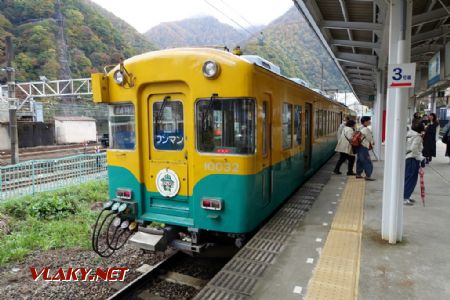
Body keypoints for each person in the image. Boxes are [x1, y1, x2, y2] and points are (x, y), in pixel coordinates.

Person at [403, 123, 426, 206]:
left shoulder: (408, 134)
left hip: (407, 158)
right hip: (413, 159)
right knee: (411, 180)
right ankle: (405, 198)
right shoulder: (418, 137)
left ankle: (406, 195)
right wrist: (421, 158)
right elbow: (414, 148)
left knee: (406, 178)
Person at [356, 116, 375, 181]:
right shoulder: (366, 129)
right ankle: (368, 175)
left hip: (359, 146)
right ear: (366, 121)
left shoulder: (359, 128)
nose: (370, 122)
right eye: (369, 121)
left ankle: (358, 174)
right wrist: (372, 143)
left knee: (360, 161)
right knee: (367, 161)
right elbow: (370, 139)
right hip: (364, 147)